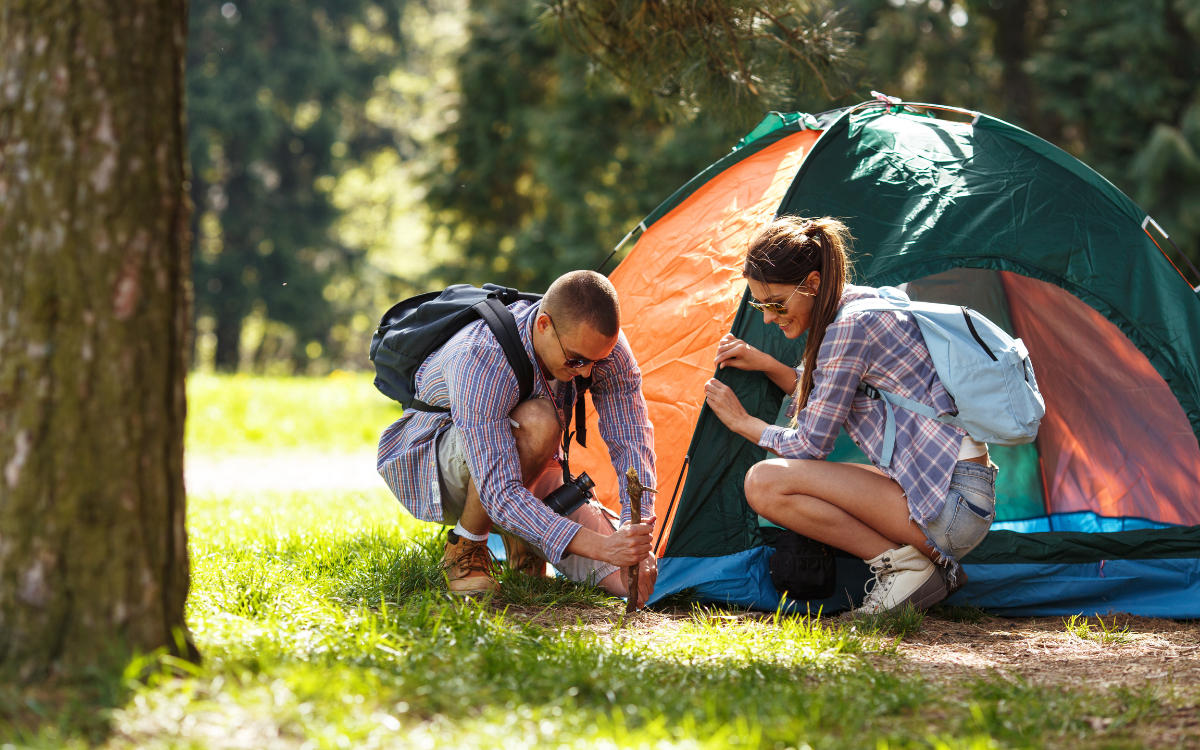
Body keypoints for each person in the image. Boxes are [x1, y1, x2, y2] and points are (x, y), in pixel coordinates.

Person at [702, 217, 997, 616]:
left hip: (952, 506)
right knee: (821, 476)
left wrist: (743, 423)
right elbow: (830, 393)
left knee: (764, 483)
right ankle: (930, 567)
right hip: (961, 494)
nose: (769, 317)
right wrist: (769, 365)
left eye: (775, 303)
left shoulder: (848, 329)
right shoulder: (864, 304)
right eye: (759, 304)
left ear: (812, 283)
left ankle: (905, 569)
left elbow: (811, 444)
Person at [378, 270, 658, 607]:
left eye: (595, 362)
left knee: (632, 583)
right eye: (577, 361)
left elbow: (632, 439)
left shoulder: (600, 349)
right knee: (539, 422)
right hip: (438, 466)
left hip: (524, 467)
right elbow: (499, 491)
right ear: (544, 325)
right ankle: (465, 549)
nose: (586, 372)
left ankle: (522, 540)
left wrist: (635, 531)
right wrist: (603, 547)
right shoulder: (480, 355)